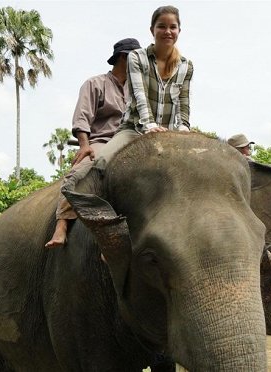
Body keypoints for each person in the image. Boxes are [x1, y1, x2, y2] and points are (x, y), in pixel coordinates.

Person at [45, 37, 140, 248]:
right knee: (83, 171)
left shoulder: (137, 90)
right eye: (137, 59)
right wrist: (85, 146)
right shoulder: (95, 84)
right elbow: (82, 118)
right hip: (102, 141)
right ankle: (62, 223)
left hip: (133, 142)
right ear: (124, 58)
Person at [93, 5, 194, 167]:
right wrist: (150, 125)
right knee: (102, 161)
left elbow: (184, 101)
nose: (167, 31)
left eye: (172, 27)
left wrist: (183, 128)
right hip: (134, 129)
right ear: (152, 30)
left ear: (179, 31)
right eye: (161, 26)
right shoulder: (137, 57)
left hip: (169, 133)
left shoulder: (186, 65)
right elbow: (140, 94)